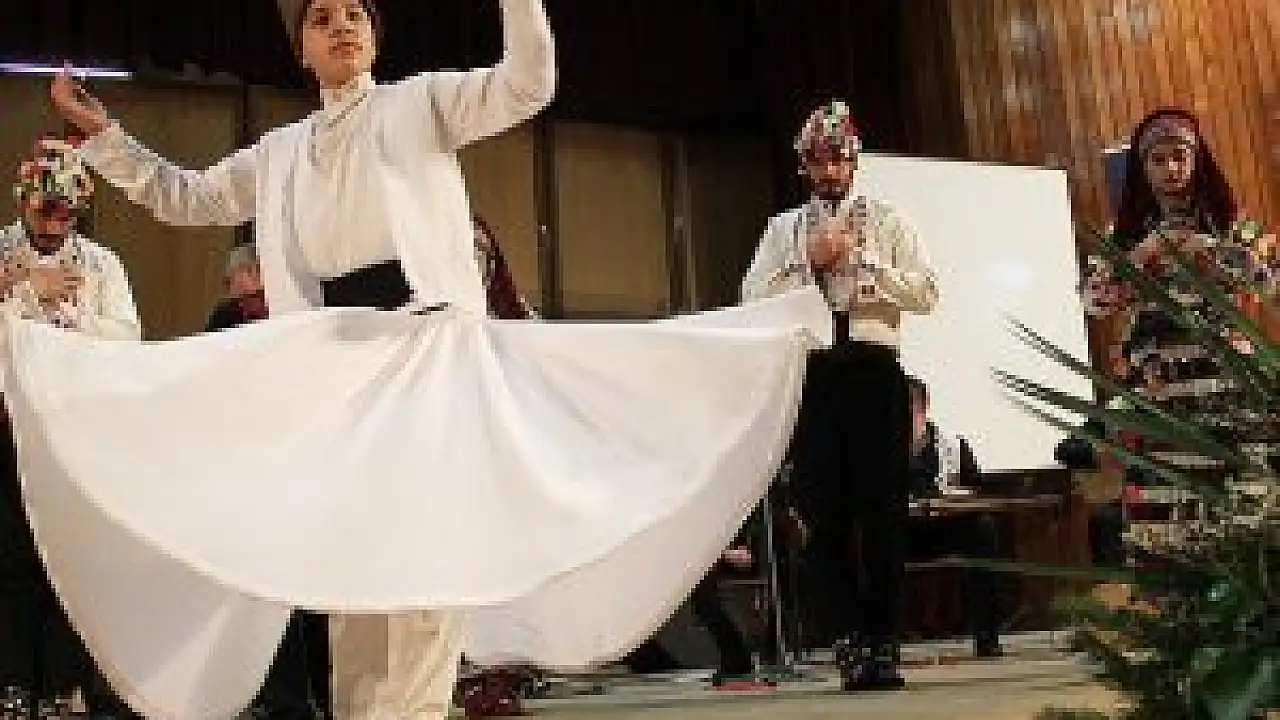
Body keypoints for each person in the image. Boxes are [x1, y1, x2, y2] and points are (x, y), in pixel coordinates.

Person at [24, 0, 831, 717]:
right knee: (352, 570)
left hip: (424, 352)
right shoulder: (280, 151)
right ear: (301, 49)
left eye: (355, 14)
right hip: (334, 369)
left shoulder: (421, 103)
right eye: (320, 18)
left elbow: (527, 83)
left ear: (376, 37)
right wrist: (106, 138)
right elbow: (184, 195)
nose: (340, 26)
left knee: (423, 561)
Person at [741, 99, 939, 691]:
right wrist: (810, 260)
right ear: (803, 165)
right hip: (815, 373)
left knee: (883, 515)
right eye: (818, 161)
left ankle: (883, 642)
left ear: (855, 160)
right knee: (819, 513)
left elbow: (928, 292)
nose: (829, 171)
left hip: (876, 370)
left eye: (838, 159)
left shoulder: (890, 220)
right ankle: (849, 637)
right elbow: (752, 296)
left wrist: (865, 264)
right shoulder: (783, 230)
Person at [0, 130, 141, 717]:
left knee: (69, 555)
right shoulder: (3, 253)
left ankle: (65, 683)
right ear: (23, 200)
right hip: (10, 422)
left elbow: (128, 338)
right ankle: (13, 681)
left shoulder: (102, 264)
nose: (55, 222)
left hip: (76, 424)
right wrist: (22, 287)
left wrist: (72, 320)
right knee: (12, 557)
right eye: (45, 208)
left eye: (66, 211)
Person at [1081, 109, 1278, 484]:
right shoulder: (1123, 234)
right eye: (1158, 160)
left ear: (1196, 159)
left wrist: (1212, 252)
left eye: (1179, 156)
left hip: (1224, 375)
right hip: (1155, 380)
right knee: (1160, 483)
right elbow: (1093, 303)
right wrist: (1143, 254)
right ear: (1143, 168)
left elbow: (1270, 281)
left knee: (1228, 486)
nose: (1170, 168)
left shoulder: (1231, 224)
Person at [905, 376, 1003, 658]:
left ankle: (987, 637)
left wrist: (956, 498)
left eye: (910, 407)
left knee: (983, 530)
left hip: (944, 526)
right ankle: (878, 644)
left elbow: (976, 490)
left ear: (924, 407)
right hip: (901, 532)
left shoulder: (954, 445)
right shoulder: (877, 451)